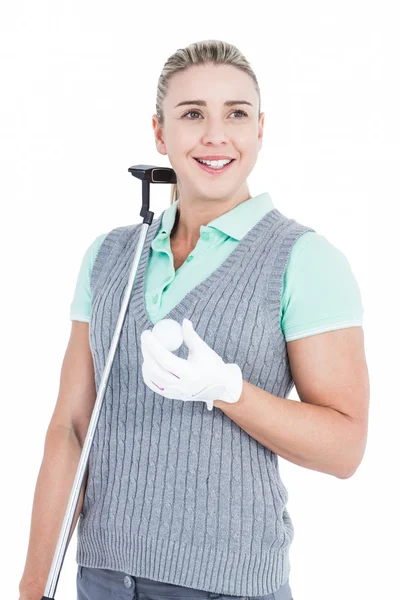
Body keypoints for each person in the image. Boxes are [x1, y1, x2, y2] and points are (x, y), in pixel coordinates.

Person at [19, 39, 369, 600]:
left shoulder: (304, 260)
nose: (215, 135)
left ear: (260, 129)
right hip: (104, 577)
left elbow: (345, 449)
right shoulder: (111, 257)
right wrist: (33, 587)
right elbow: (72, 430)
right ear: (159, 133)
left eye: (236, 113)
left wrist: (228, 390)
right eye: (191, 114)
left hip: (227, 587)